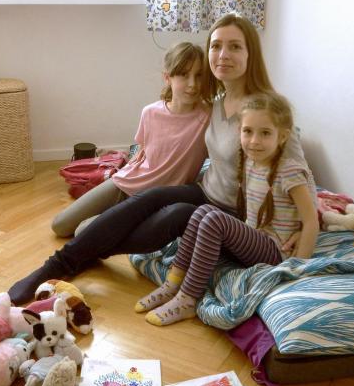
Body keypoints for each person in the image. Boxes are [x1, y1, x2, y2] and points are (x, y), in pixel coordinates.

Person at [3, 12, 307, 306]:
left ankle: (80, 255)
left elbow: (299, 172)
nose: (223, 54)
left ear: (251, 53)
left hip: (230, 211)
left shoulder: (266, 109)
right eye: (216, 46)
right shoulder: (215, 102)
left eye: (235, 46)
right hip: (205, 190)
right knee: (150, 197)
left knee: (174, 214)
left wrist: (305, 224)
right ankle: (52, 267)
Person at [136, 93, 319, 326]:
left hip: (275, 252)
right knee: (201, 211)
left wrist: (297, 268)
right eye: (247, 131)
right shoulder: (250, 162)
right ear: (239, 132)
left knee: (214, 219)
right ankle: (173, 282)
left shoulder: (290, 171)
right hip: (254, 241)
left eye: (265, 133)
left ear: (282, 136)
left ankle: (187, 298)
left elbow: (311, 219)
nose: (254, 141)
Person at [51, 42, 209, 237]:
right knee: (60, 225)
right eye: (184, 74)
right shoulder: (150, 112)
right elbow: (142, 152)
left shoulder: (208, 118)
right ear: (167, 77)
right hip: (126, 181)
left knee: (83, 231)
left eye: (199, 75)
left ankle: (110, 218)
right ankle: (110, 214)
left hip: (154, 200)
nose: (193, 84)